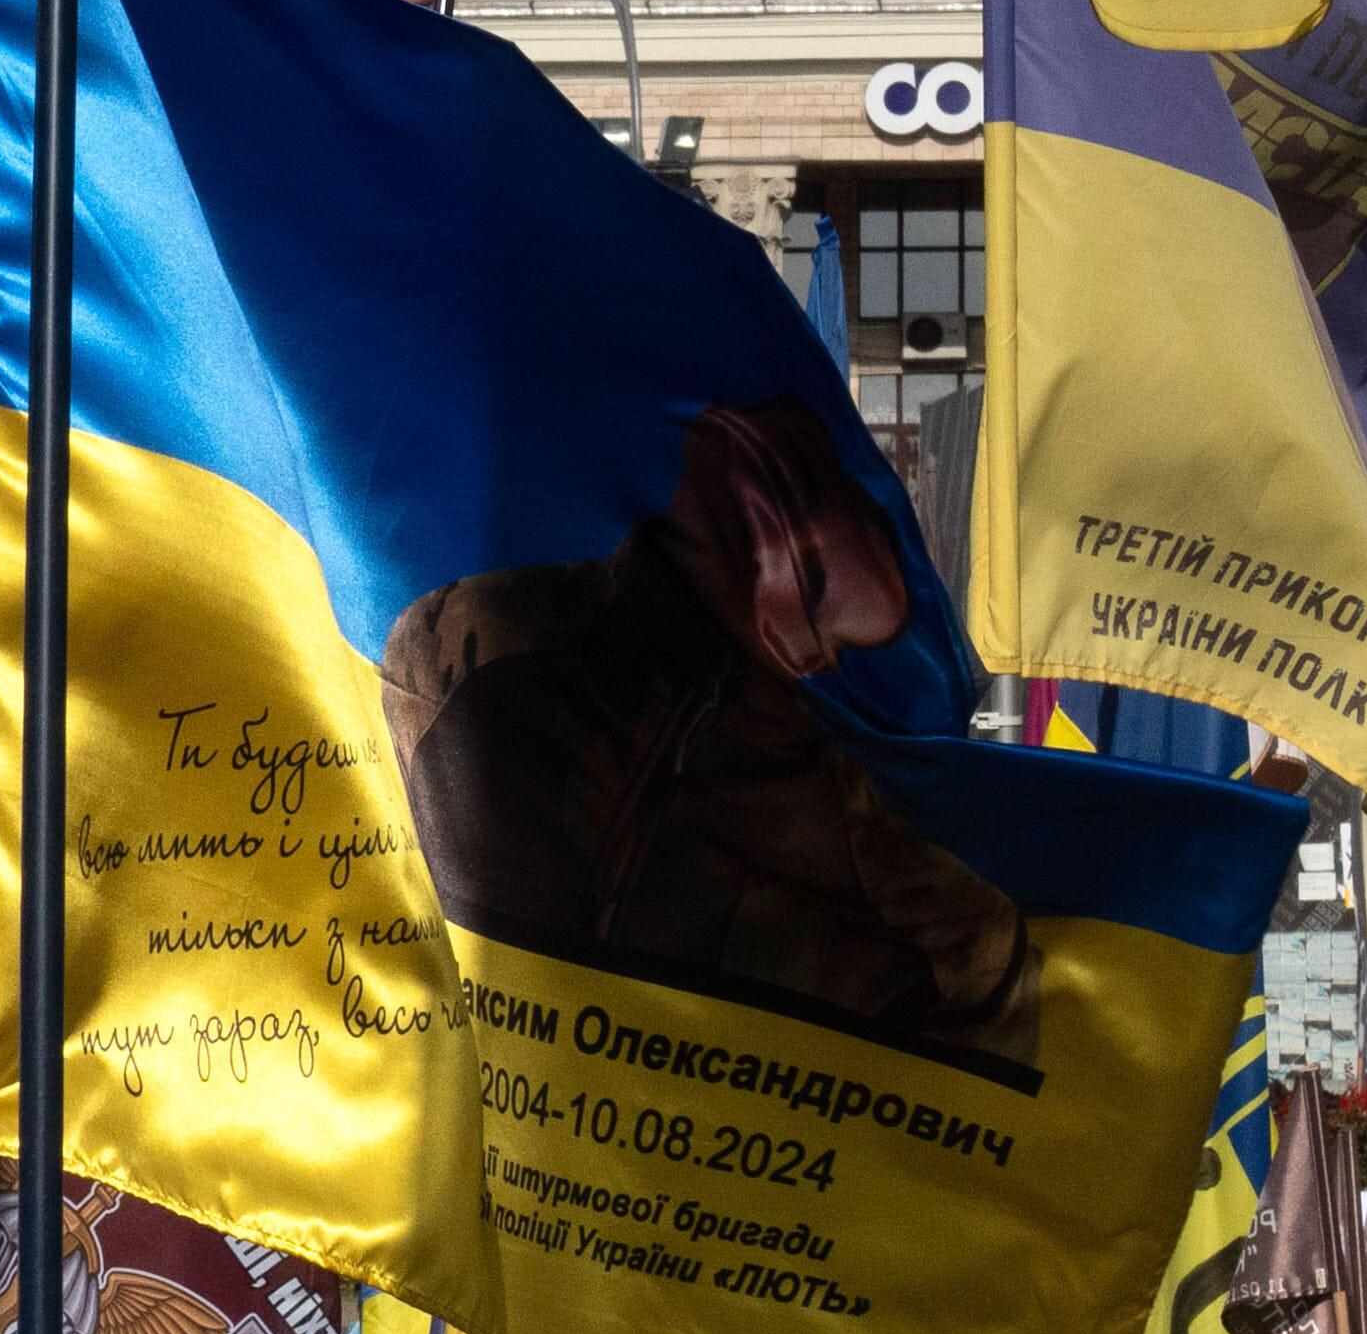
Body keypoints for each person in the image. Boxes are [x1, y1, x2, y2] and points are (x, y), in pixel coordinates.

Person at [376, 399, 1042, 1068]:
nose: (811, 656)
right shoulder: (505, 648)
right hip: (538, 1095)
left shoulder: (816, 775)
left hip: (631, 1115)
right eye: (804, 586)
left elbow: (981, 988)